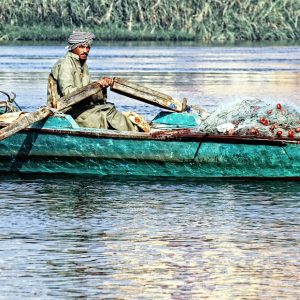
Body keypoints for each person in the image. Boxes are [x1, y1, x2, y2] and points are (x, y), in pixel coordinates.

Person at [47, 31, 139, 131]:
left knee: (109, 108)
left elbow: (89, 94)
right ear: (73, 47)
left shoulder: (83, 66)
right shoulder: (65, 65)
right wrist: (95, 85)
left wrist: (101, 87)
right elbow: (68, 93)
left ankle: (136, 132)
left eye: (88, 47)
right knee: (105, 114)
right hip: (66, 112)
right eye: (81, 47)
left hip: (80, 109)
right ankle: (136, 134)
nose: (85, 50)